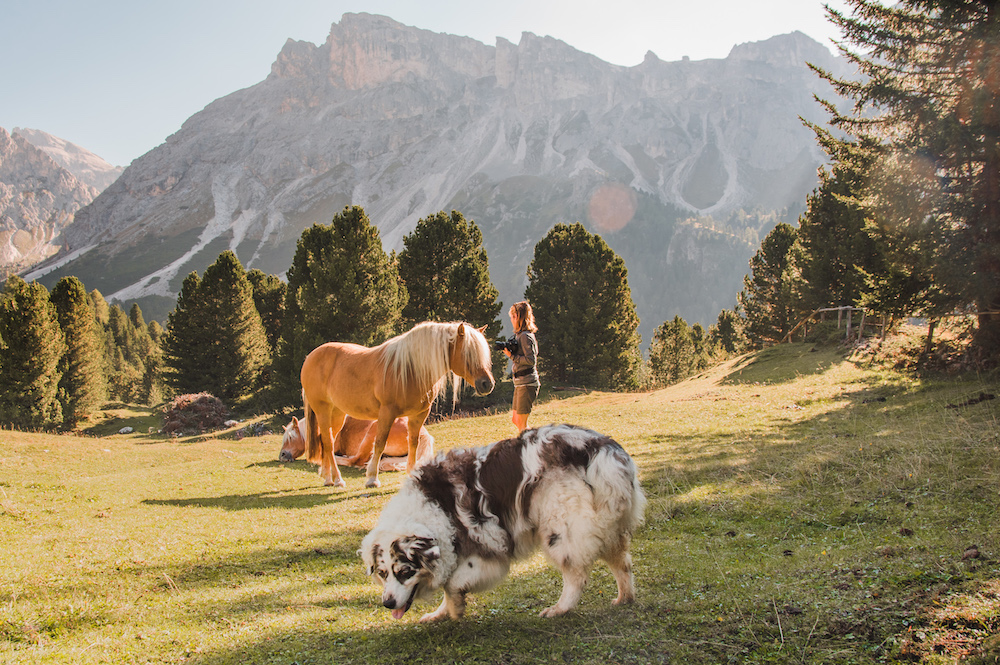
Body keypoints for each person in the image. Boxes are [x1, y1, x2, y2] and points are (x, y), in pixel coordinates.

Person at [503, 301, 539, 433]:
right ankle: (530, 440)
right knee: (516, 420)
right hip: (520, 383)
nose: (511, 320)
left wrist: (511, 356)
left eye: (513, 317)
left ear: (519, 318)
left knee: (521, 423)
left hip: (527, 383)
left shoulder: (525, 336)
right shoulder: (519, 335)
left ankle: (528, 445)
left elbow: (530, 360)